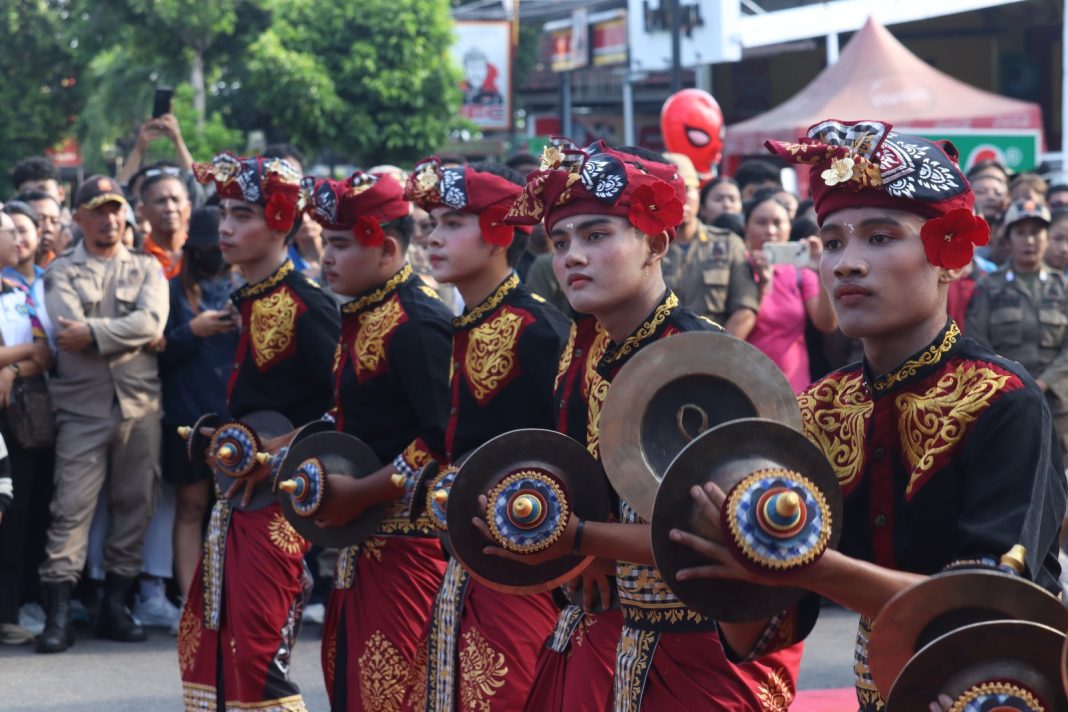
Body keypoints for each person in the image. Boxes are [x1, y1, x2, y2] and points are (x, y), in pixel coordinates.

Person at [668, 119, 1066, 711]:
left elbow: (987, 607)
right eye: (832, 242)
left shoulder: (1003, 399)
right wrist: (735, 566)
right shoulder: (820, 409)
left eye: (880, 238)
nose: (847, 263)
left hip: (997, 692)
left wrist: (804, 564)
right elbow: (765, 629)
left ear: (949, 256)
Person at [498, 140, 804, 710]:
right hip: (603, 631)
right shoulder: (581, 349)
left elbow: (730, 539)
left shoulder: (700, 358)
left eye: (596, 236)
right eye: (560, 241)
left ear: (656, 244)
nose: (572, 258)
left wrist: (582, 541)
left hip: (701, 647)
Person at [404, 158, 572, 712]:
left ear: (500, 232)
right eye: (433, 223)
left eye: (454, 223)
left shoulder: (540, 330)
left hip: (526, 568)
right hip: (467, 563)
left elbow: (572, 455)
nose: (433, 237)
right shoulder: (465, 323)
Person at [177, 153, 339, 711]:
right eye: (223, 213)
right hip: (240, 503)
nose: (225, 227)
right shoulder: (248, 296)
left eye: (242, 214)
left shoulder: (306, 305)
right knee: (218, 641)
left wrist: (275, 450)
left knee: (259, 648)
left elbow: (347, 411)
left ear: (280, 222)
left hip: (282, 506)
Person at [295, 171, 453, 711]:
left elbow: (441, 441)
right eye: (326, 242)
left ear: (386, 248)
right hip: (364, 542)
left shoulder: (417, 323)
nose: (326, 256)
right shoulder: (362, 313)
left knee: (394, 692)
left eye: (340, 244)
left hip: (411, 546)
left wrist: (360, 493)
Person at [37, 175, 169, 653]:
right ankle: (58, 613)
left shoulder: (146, 267)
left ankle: (117, 604)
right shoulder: (61, 270)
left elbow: (153, 321)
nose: (109, 219)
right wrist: (128, 332)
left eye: (115, 209)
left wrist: (94, 333)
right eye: (97, 210)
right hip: (81, 409)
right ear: (78, 217)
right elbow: (64, 325)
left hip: (140, 405)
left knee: (135, 505)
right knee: (70, 510)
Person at [157, 205, 240, 612]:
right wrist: (191, 330)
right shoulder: (172, 290)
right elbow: (157, 354)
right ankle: (192, 603)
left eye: (219, 247)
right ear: (193, 249)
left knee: (234, 513)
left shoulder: (243, 288)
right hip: (187, 415)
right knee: (190, 508)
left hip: (236, 419)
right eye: (208, 247)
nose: (215, 255)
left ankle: (229, 601)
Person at [967, 199, 1068, 459]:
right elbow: (977, 343)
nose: (1029, 240)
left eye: (1036, 232)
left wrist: (1045, 382)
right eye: (1021, 233)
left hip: (1058, 406)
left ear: (1046, 237)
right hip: (1006, 400)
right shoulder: (988, 288)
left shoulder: (1062, 287)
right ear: (1008, 238)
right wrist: (1012, 381)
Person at [0, 210, 52, 645]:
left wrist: (12, 369)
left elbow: (43, 353)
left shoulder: (18, 290)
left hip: (15, 420)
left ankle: (8, 610)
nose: (15, 238)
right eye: (6, 230)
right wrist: (17, 358)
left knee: (15, 512)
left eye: (19, 230)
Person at [733, 192, 836, 392]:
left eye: (778, 223)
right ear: (746, 228)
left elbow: (826, 324)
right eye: (761, 222)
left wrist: (822, 270)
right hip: (744, 384)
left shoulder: (800, 273)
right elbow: (729, 338)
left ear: (789, 227)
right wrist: (762, 285)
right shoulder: (736, 268)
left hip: (793, 387)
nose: (770, 230)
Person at [662, 153, 761, 336]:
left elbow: (744, 309)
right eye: (670, 189)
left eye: (687, 188)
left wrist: (716, 356)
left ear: (698, 193)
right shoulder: (646, 249)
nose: (680, 197)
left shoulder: (728, 244)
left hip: (716, 355)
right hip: (658, 357)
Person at [138, 164, 192, 279]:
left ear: (189, 207)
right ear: (143, 211)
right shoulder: (134, 257)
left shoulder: (201, 253)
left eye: (176, 200)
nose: (170, 208)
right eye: (161, 201)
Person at [14, 189, 63, 267]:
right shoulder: (3, 272)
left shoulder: (63, 268)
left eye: (55, 221)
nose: (48, 228)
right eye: (40, 219)